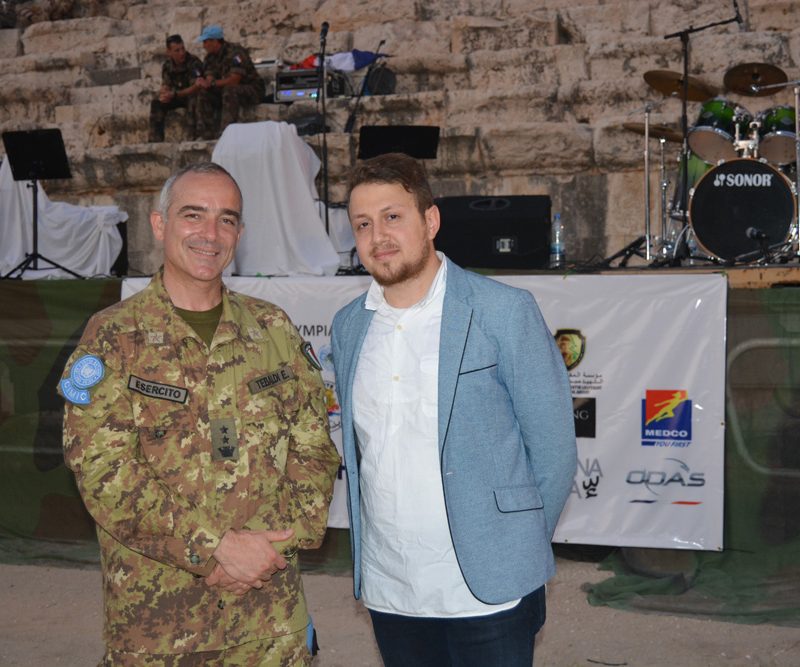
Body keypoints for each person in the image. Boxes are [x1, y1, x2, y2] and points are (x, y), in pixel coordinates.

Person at [59, 162, 340, 665]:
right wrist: (216, 548)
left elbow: (316, 451)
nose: (211, 233)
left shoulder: (272, 329)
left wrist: (264, 552)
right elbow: (103, 472)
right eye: (193, 215)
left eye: (226, 219)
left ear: (239, 234)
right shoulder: (113, 337)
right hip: (159, 625)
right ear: (160, 224)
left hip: (269, 618)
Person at [331, 153, 577, 667]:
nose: (378, 236)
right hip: (391, 586)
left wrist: (516, 547)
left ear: (431, 220)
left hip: (489, 589)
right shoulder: (349, 325)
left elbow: (553, 450)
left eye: (392, 216)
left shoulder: (503, 311)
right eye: (363, 224)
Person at [194, 25, 265, 139]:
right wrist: (205, 82)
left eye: (206, 42)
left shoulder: (235, 52)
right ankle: (205, 134)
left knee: (230, 90)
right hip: (226, 90)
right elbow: (210, 76)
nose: (204, 45)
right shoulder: (210, 57)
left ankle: (226, 133)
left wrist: (212, 83)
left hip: (252, 89)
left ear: (215, 41)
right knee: (203, 93)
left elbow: (234, 80)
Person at [148, 34, 205, 142]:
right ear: (169, 52)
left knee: (194, 99)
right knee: (157, 102)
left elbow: (196, 87)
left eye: (183, 48)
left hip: (190, 95)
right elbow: (166, 84)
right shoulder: (167, 65)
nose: (182, 53)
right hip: (176, 96)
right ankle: (155, 140)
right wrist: (164, 93)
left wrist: (174, 94)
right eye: (177, 50)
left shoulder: (194, 62)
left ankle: (193, 138)